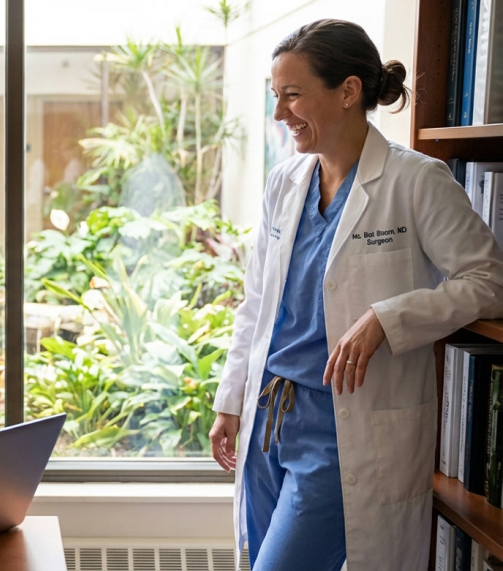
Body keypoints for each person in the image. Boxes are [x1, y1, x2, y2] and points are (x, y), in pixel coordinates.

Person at [208, 19, 503, 571]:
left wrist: (389, 318)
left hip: (343, 432)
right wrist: (231, 399)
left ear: (348, 91)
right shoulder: (285, 182)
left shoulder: (417, 180)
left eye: (293, 96)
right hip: (269, 418)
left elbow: (489, 281)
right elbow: (257, 304)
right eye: (276, 97)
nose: (280, 114)